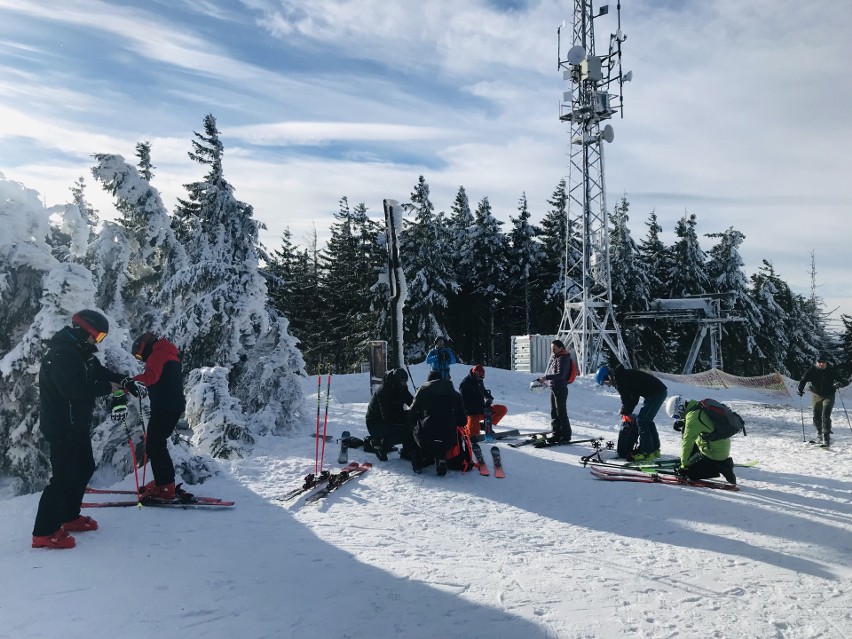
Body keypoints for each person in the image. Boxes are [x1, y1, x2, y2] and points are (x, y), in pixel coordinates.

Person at [32, 310, 126, 549]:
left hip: (77, 424)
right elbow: (72, 390)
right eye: (99, 335)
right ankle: (43, 532)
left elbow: (100, 372)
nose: (99, 340)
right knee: (63, 478)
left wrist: (125, 381)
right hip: (61, 425)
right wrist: (108, 387)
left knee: (84, 468)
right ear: (87, 330)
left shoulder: (82, 353)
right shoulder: (61, 354)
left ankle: (69, 516)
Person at [130, 333, 186, 500]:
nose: (142, 360)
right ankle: (164, 483)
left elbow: (150, 377)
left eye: (140, 356)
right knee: (156, 444)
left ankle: (165, 487)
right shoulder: (167, 352)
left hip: (165, 406)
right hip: (170, 405)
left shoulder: (158, 354)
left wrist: (127, 383)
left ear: (143, 346)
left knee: (155, 445)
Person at [596, 364, 667, 461]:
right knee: (647, 420)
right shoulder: (623, 375)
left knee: (642, 421)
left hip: (656, 394)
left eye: (606, 382)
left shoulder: (619, 380)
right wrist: (627, 411)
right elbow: (634, 396)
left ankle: (646, 453)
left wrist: (625, 412)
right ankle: (654, 450)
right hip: (658, 392)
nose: (608, 385)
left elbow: (626, 399)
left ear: (608, 376)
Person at [664, 395, 737, 485]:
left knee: (690, 474)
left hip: (714, 453)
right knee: (689, 439)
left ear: (681, 408)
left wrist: (683, 467)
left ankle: (722, 466)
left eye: (677, 415)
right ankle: (697, 461)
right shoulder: (696, 406)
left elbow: (687, 444)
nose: (678, 417)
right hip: (719, 446)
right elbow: (702, 421)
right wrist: (683, 422)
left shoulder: (692, 419)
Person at [408, 371, 468, 475]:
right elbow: (463, 421)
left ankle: (418, 459)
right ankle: (441, 456)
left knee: (413, 425)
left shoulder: (422, 391)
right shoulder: (456, 395)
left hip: (426, 438)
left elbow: (411, 413)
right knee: (443, 430)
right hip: (449, 440)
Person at [365, 368, 415, 461]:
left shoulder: (401, 387)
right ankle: (380, 446)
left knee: (411, 421)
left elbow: (410, 401)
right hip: (375, 423)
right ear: (396, 381)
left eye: (405, 382)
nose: (405, 384)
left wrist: (418, 408)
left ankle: (406, 451)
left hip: (390, 418)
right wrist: (403, 418)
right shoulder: (384, 391)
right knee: (404, 431)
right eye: (403, 382)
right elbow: (387, 416)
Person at [797, 353, 845, 447]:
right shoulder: (811, 370)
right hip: (816, 395)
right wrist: (800, 389)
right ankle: (819, 433)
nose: (821, 364)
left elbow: (843, 380)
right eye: (819, 362)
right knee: (816, 416)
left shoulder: (831, 370)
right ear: (816, 362)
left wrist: (839, 384)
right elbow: (803, 380)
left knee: (825, 415)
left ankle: (826, 436)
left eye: (823, 362)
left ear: (826, 363)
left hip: (829, 395)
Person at [535, 339, 574, 443]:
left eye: (554, 349)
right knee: (554, 413)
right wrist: (545, 382)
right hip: (555, 389)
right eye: (552, 349)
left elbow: (561, 375)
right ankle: (556, 434)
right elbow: (554, 376)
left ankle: (566, 436)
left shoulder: (563, 359)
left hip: (560, 389)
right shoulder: (557, 358)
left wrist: (546, 377)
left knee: (561, 413)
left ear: (560, 348)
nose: (552, 351)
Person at [459, 364, 508, 438]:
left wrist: (489, 398)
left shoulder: (479, 380)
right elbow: (465, 404)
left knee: (502, 409)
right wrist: (480, 408)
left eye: (483, 377)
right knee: (474, 436)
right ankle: (471, 427)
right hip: (472, 413)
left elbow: (483, 391)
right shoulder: (465, 384)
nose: (481, 379)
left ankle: (486, 426)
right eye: (480, 377)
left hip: (482, 409)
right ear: (476, 373)